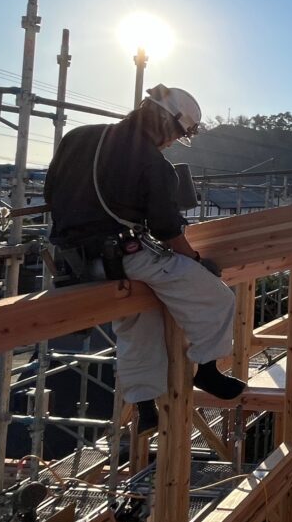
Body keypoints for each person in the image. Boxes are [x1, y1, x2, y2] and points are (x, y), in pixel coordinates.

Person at [44, 84, 246, 432]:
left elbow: (51, 192)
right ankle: (208, 370)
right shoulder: (153, 163)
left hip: (73, 262)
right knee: (215, 296)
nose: (171, 142)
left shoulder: (78, 137)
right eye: (177, 133)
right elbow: (168, 230)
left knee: (139, 316)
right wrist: (198, 264)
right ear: (166, 122)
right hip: (123, 257)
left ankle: (143, 403)